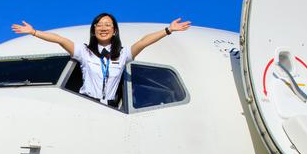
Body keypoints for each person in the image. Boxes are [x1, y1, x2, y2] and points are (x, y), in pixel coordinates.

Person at [10, 12, 191, 105]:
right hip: (87, 102)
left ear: (114, 30)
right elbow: (60, 40)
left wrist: (168, 30)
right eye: (99, 25)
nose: (103, 28)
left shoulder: (122, 55)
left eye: (108, 25)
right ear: (94, 29)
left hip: (110, 107)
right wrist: (33, 32)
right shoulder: (84, 52)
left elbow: (143, 42)